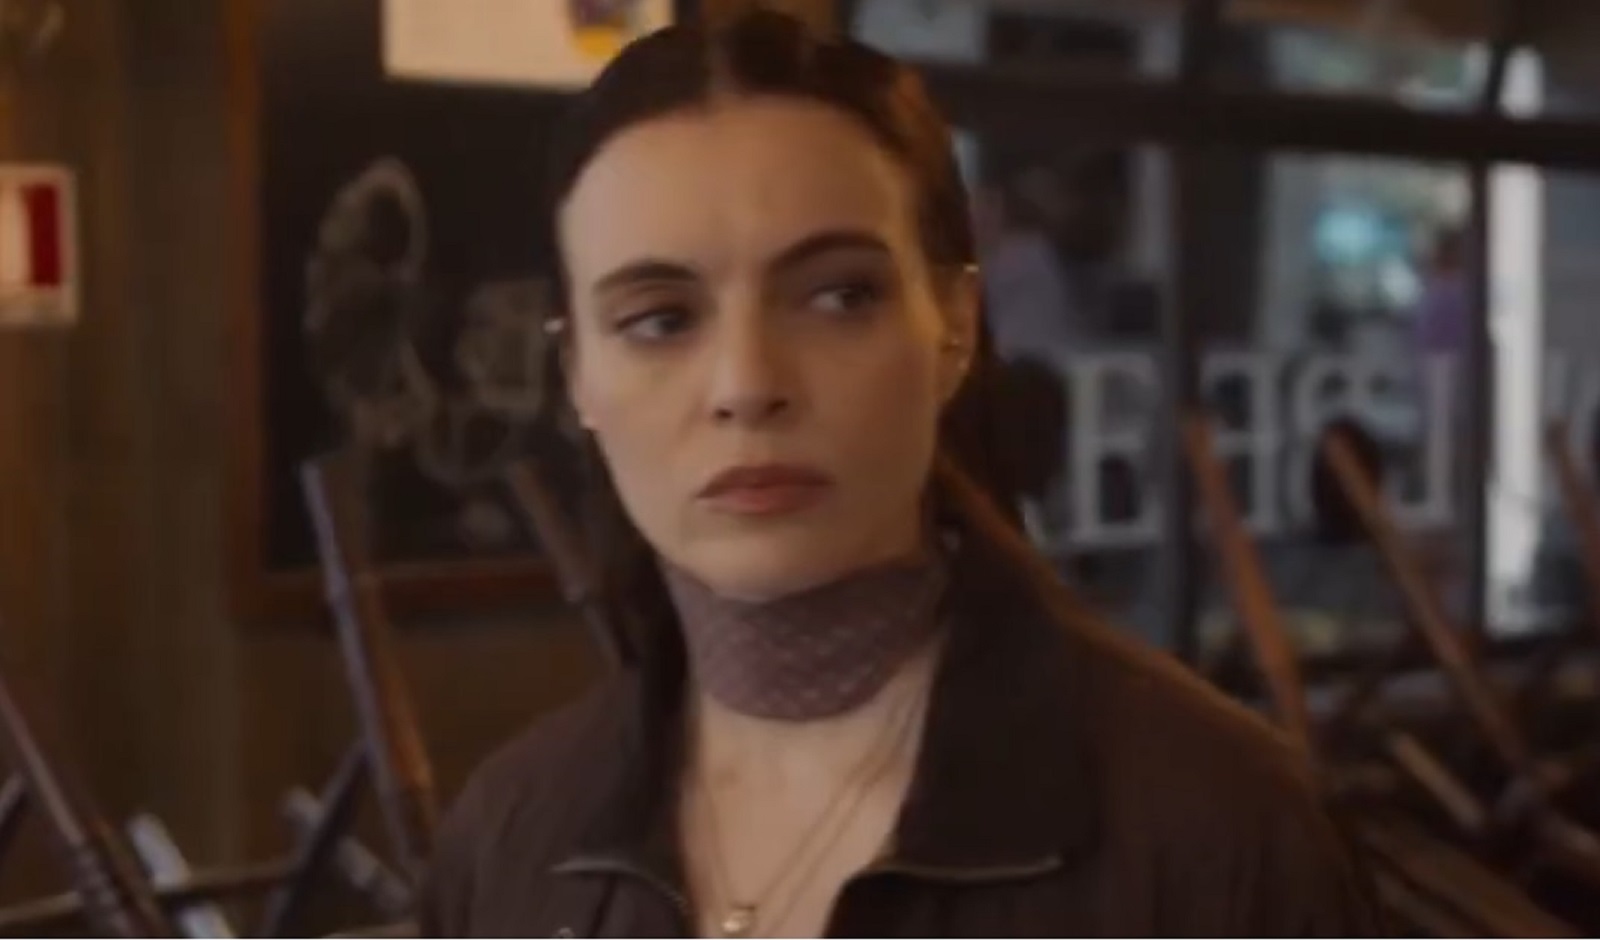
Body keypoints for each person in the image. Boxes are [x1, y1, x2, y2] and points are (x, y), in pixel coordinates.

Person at [420, 10, 1381, 937]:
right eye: (660, 320)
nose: (747, 384)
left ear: (953, 326)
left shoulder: (1217, 830)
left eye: (838, 296)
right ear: (577, 374)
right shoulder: (508, 837)